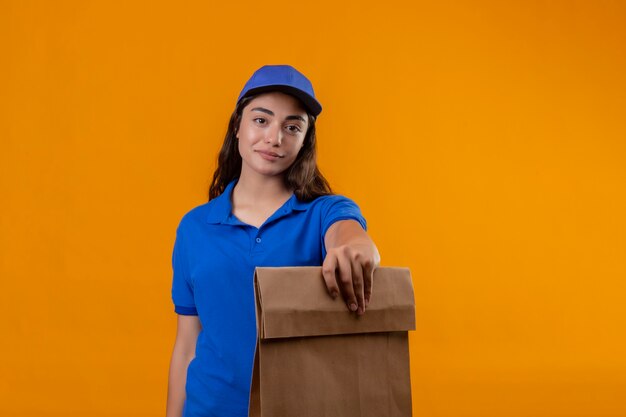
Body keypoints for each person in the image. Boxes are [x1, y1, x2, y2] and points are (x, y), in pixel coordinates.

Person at [166, 65, 380, 417]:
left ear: (304, 140)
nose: (275, 138)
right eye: (261, 120)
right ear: (238, 126)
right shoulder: (194, 227)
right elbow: (187, 344)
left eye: (292, 127)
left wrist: (354, 246)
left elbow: (350, 233)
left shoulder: (323, 213)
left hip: (300, 407)